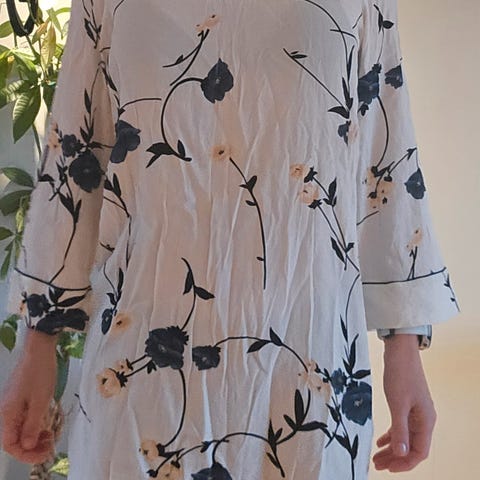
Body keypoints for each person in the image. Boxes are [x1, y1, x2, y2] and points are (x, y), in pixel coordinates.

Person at [0, 0, 460, 478]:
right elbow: (75, 151)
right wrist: (38, 344)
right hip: (143, 362)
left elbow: (385, 150)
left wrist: (404, 345)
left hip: (309, 363)